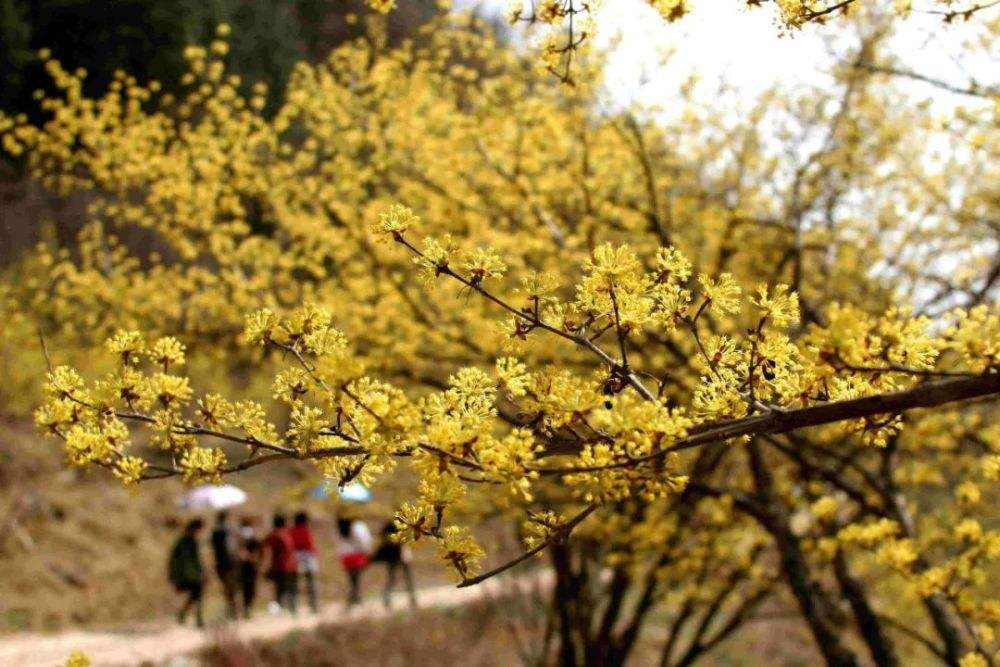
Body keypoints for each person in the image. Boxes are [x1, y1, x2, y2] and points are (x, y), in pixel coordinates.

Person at [168, 518, 205, 628]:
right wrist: (199, 572)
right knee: (197, 594)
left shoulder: (183, 540)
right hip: (188, 574)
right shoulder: (189, 541)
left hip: (185, 573)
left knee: (196, 594)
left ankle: (186, 615)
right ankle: (196, 618)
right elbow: (192, 559)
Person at [373, 520, 417, 609]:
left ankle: (388, 599)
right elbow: (404, 540)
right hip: (397, 555)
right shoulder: (398, 525)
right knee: (405, 578)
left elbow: (382, 536)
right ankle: (411, 599)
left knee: (393, 578)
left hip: (392, 556)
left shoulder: (389, 525)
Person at [263, 514, 298, 613]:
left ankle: (281, 609)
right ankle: (293, 608)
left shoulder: (275, 535)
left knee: (280, 589)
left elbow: (265, 547)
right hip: (292, 565)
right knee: (291, 588)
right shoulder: (289, 533)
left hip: (280, 566)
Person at [336, 517, 373, 608]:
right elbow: (365, 541)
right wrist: (367, 552)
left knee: (352, 580)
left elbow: (337, 544)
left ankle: (354, 599)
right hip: (356, 557)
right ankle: (355, 599)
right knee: (356, 580)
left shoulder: (339, 527)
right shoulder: (357, 526)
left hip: (346, 558)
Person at [210, 511, 239, 619]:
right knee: (231, 587)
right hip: (229, 562)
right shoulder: (227, 531)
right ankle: (233, 610)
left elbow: (213, 548)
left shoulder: (215, 532)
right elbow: (230, 547)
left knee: (226, 587)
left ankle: (231, 610)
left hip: (220, 562)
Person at [290, 511, 320, 613]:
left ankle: (293, 606)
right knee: (311, 581)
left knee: (294, 582)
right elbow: (310, 544)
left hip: (296, 556)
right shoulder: (306, 530)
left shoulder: (292, 531)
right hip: (308, 556)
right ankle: (314, 605)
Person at [238, 516, 262, 618]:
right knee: (248, 588)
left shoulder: (241, 536)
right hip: (247, 566)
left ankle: (246, 608)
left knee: (247, 589)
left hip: (246, 566)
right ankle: (246, 609)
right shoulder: (246, 536)